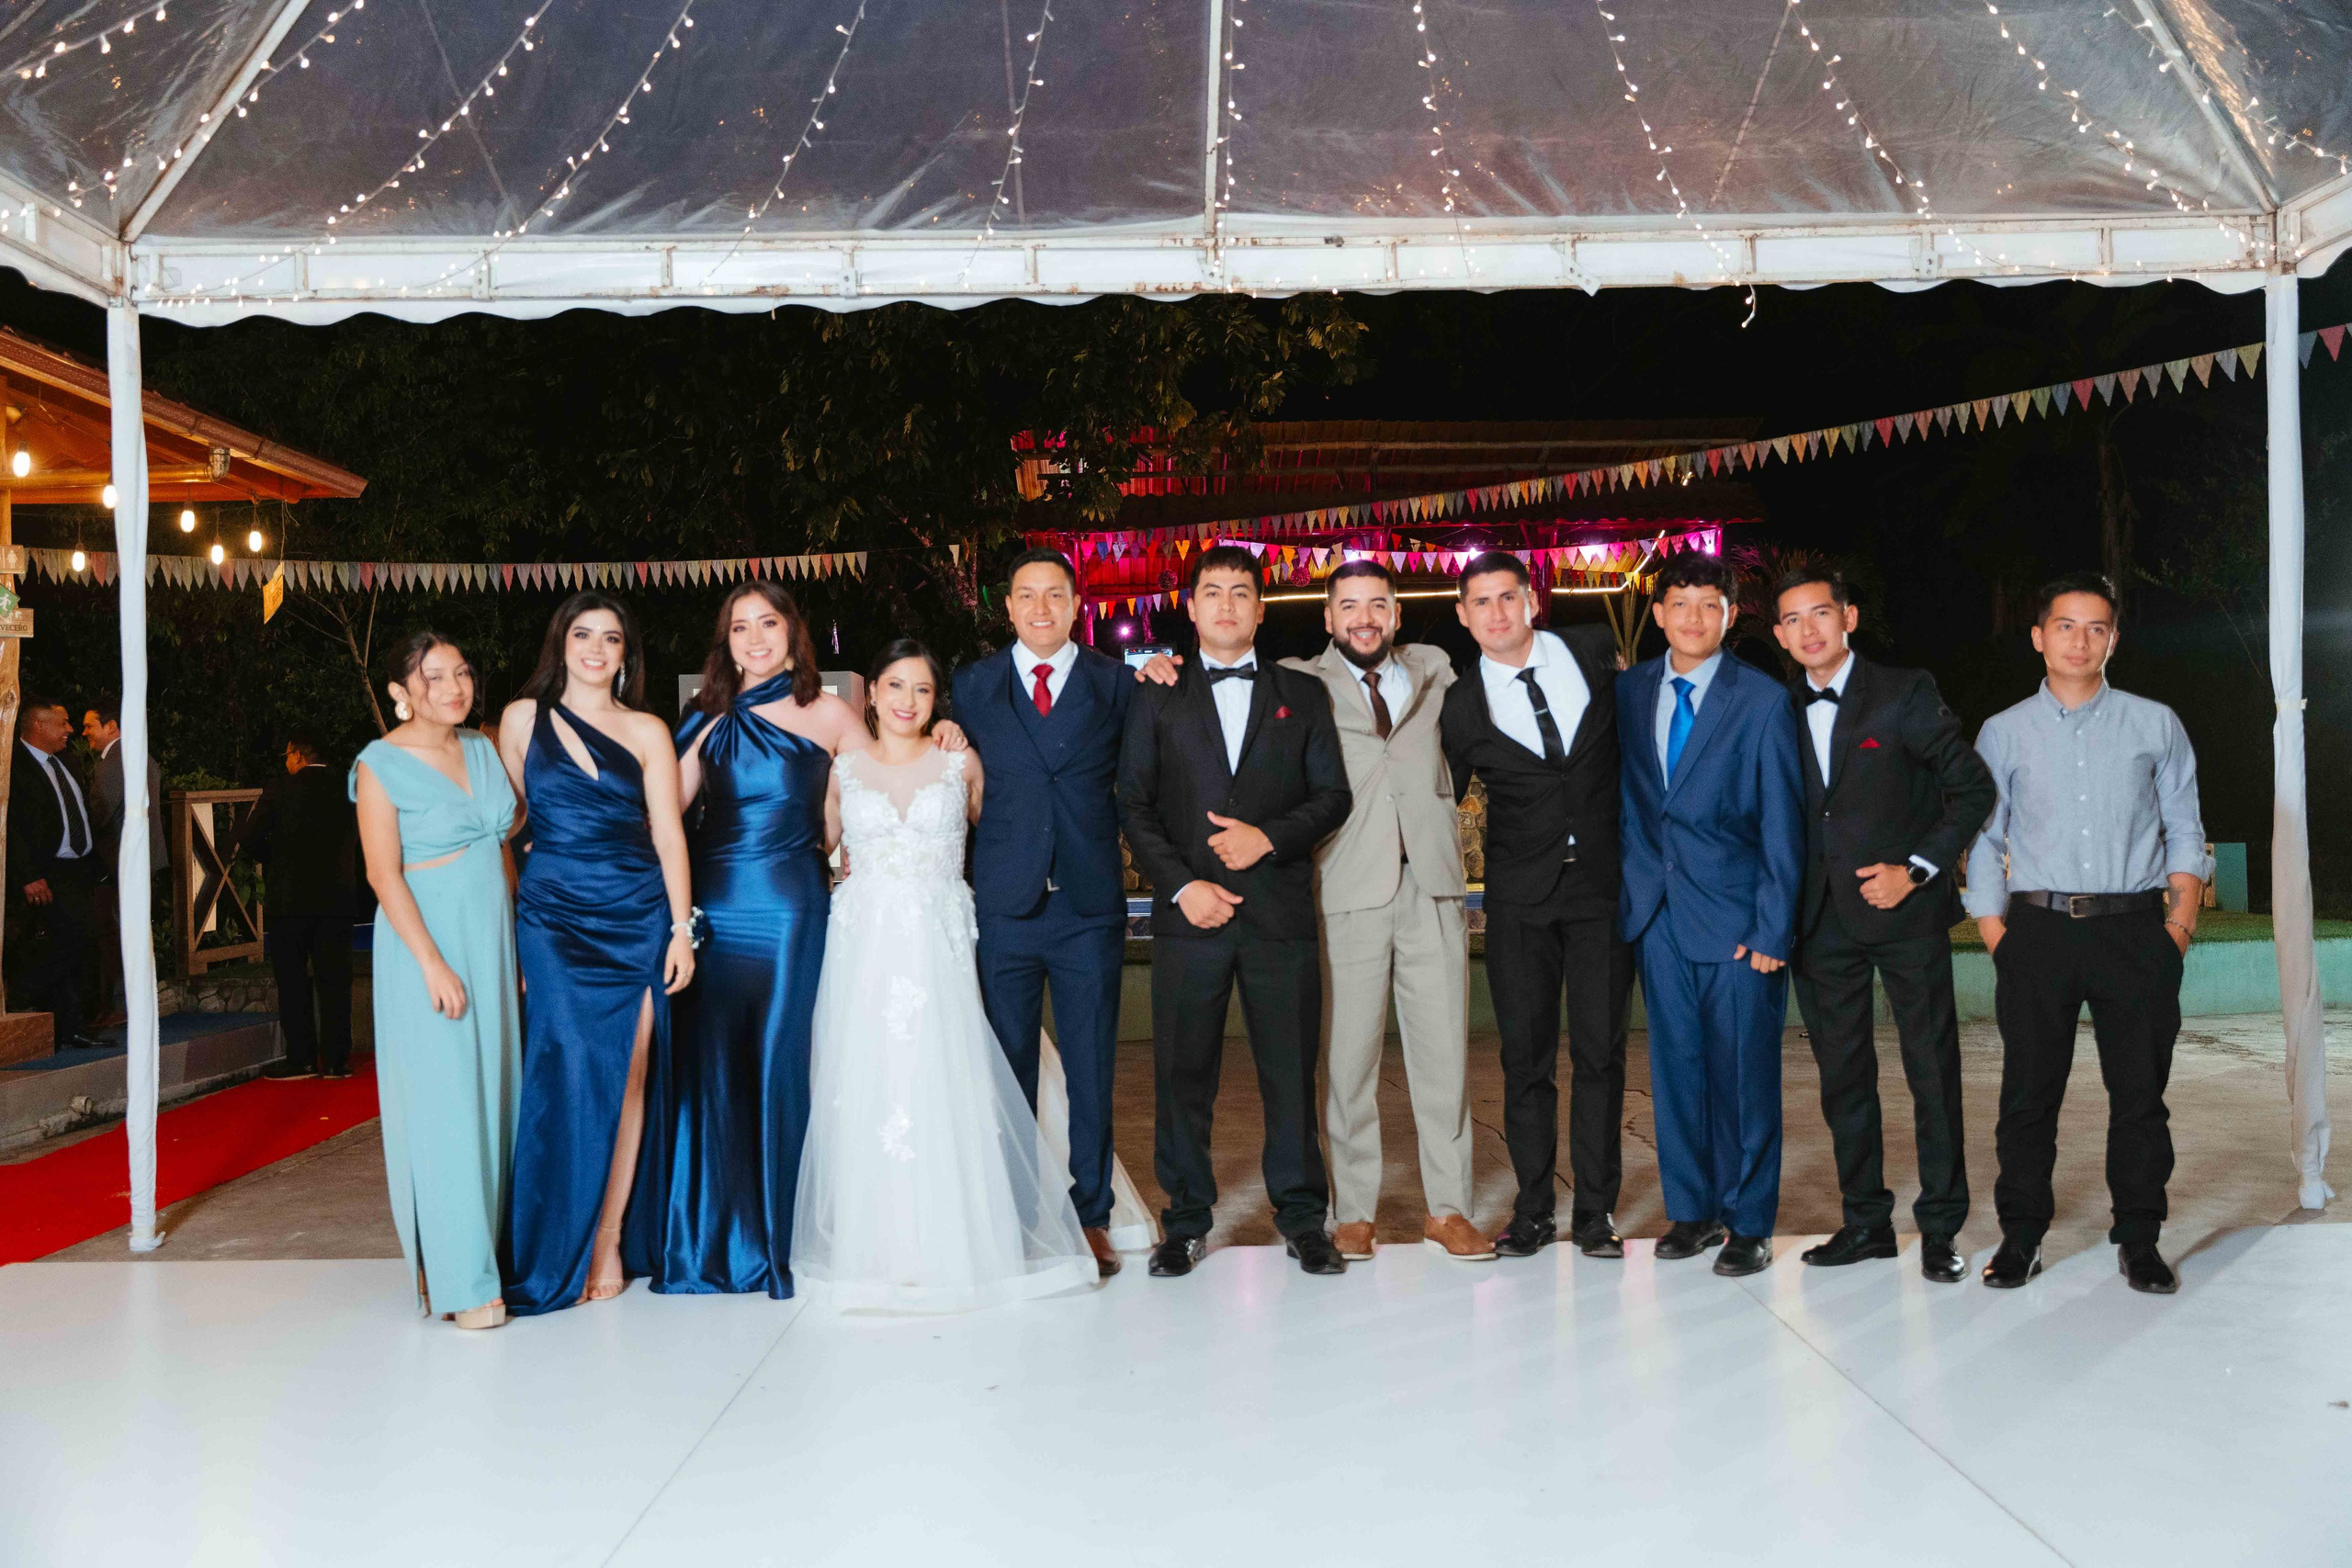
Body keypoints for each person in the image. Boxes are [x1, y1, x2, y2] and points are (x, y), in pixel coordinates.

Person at [792, 640, 1097, 1311]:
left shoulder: (960, 762)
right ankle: (877, 1243)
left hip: (939, 941)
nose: (907, 701)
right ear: (869, 692)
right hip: (865, 945)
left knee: (945, 1073)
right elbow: (812, 845)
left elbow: (1008, 835)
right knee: (871, 1078)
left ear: (937, 702)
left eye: (922, 690)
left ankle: (960, 1238)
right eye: (895, 685)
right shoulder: (841, 766)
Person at [1964, 572, 2208, 1296]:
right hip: (2035, 932)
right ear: (2039, 636)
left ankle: (2139, 1237)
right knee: (2028, 1096)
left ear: (2114, 639)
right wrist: (1995, 933)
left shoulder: (2154, 723)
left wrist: (2179, 929)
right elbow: (1984, 838)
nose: (2080, 639)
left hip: (2135, 931)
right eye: (2065, 626)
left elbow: (2185, 827)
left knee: (2140, 1096)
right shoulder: (2003, 731)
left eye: (2096, 627)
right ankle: (2023, 1236)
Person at [1118, 546, 1352, 1279]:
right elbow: (1133, 801)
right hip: (1190, 918)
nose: (1226, 603)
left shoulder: (1302, 693)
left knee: (1290, 1074)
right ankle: (1185, 1220)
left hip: (1278, 914)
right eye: (1211, 591)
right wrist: (1184, 885)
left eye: (1241, 592)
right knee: (1184, 1076)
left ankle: (1304, 1219)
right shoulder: (1155, 693)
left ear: (1260, 608)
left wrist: (1271, 837)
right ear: (1190, 606)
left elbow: (1333, 796)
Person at [633, 582, 861, 1299]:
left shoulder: (831, 713)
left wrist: (944, 740)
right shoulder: (707, 714)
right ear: (724, 641)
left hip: (793, 909)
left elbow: (876, 793)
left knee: (779, 1063)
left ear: (794, 632)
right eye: (740, 628)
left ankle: (782, 1240)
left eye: (769, 623)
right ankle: (712, 1241)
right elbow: (664, 810)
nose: (755, 638)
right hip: (715, 911)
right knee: (716, 1070)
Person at [1770, 570, 1995, 1284]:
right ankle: (1865, 1221)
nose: (1810, 630)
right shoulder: (1775, 707)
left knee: (1931, 1071)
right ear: (1779, 634)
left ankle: (1939, 1228)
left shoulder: (1904, 691)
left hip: (1904, 913)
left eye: (1822, 614)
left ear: (1850, 617)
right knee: (1844, 1080)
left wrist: (1919, 867)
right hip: (1819, 921)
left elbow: (1973, 786)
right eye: (1793, 620)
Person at [1276, 558, 1489, 1263]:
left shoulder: (1435, 670)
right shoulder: (1298, 681)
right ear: (1329, 618)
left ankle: (1449, 1207)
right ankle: (1354, 1212)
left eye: (1377, 604)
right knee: (1347, 1060)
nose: (1363, 617)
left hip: (1431, 885)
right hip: (1346, 886)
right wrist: (1153, 672)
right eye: (1349, 606)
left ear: (1396, 613)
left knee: (1445, 1058)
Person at [496, 593, 695, 1314]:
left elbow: (669, 835)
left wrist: (681, 930)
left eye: (610, 638)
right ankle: (555, 1238)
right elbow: (509, 825)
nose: (596, 648)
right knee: (566, 1066)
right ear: (562, 643)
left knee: (628, 1075)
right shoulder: (522, 719)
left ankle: (607, 1237)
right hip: (551, 915)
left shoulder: (647, 729)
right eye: (582, 634)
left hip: (637, 913)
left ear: (625, 655)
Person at [1440, 552, 1634, 1260]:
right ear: (1463, 615)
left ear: (1532, 600)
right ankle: (1533, 1209)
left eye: (1507, 597)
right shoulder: (1460, 704)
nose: (1496, 612)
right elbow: (1438, 795)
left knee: (1600, 1053)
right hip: (1521, 898)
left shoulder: (1592, 650)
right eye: (1480, 602)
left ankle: (1596, 1211)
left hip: (1604, 889)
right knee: (1524, 1059)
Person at [1617, 550, 1804, 1278]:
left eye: (1710, 606)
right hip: (1658, 915)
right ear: (1659, 611)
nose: (1694, 619)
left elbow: (1784, 824)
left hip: (1738, 921)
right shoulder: (1630, 692)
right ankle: (1693, 1209)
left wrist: (1771, 926)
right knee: (1677, 1070)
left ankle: (1750, 1220)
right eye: (1680, 604)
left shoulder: (1761, 699)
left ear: (1731, 615)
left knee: (1744, 1074)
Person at [951, 548, 1137, 1278]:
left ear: (1075, 603)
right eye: (1026, 596)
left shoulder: (1115, 682)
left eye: (1054, 595)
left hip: (1089, 904)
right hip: (1006, 904)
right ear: (1008, 608)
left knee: (1091, 1069)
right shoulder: (972, 686)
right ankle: (1017, 1218)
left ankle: (1090, 1214)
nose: (1039, 608)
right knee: (1008, 1069)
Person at [351, 632, 520, 1330]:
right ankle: (460, 1280)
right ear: (400, 689)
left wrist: (516, 950)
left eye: (462, 672)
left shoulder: (480, 750)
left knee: (494, 1102)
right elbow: (382, 874)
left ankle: (481, 1253)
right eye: (434, 676)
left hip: (491, 940)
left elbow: (501, 853)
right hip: (427, 947)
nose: (454, 686)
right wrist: (431, 961)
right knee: (446, 1108)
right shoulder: (379, 764)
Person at [236, 735, 361, 1081]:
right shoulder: (348, 787)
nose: (285, 762)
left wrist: (273, 859)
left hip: (290, 899)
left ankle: (302, 1058)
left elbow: (248, 838)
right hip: (337, 898)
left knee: (293, 979)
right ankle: (337, 1060)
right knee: (335, 981)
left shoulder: (279, 789)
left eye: (287, 754)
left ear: (299, 756)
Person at [8, 696, 100, 1048]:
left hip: (78, 869)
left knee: (79, 942)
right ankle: (20, 995)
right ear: (38, 726)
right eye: (62, 723)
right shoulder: (12, 765)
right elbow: (10, 826)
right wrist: (28, 875)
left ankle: (68, 1027)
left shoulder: (68, 762)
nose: (70, 730)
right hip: (44, 873)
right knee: (71, 940)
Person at [82, 700, 167, 1031]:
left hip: (122, 862)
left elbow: (100, 812)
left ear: (112, 726)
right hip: (142, 860)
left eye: (91, 725)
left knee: (118, 937)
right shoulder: (142, 755)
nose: (85, 732)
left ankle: (120, 1006)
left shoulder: (113, 761)